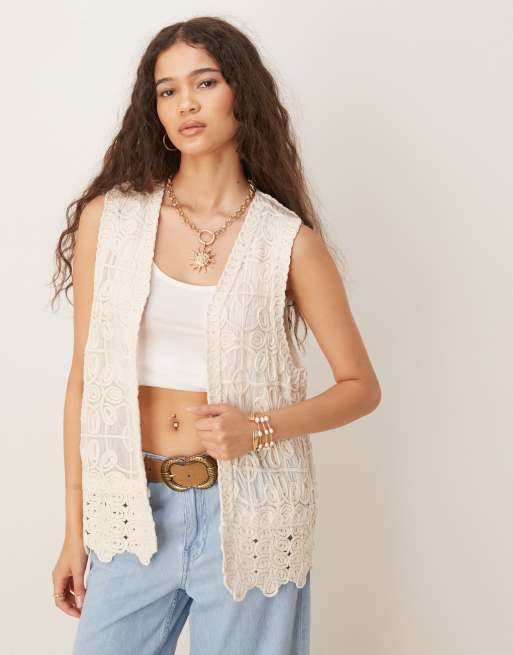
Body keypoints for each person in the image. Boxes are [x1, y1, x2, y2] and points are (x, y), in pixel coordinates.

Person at [50, 16, 382, 655]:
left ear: (241, 94)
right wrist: (74, 530)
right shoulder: (110, 221)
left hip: (252, 512)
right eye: (167, 90)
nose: (186, 104)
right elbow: (84, 385)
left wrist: (259, 428)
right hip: (130, 508)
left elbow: (361, 387)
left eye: (204, 83)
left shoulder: (287, 241)